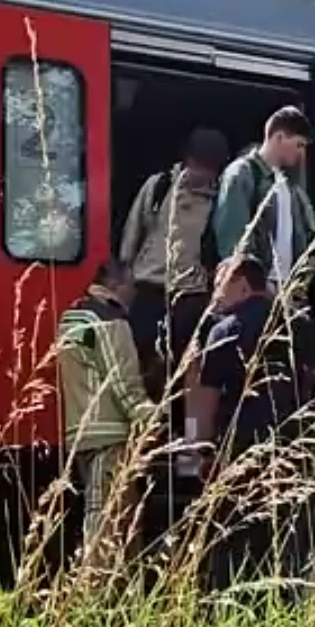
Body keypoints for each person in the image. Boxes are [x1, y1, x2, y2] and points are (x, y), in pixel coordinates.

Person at [187, 255, 315, 588]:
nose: (215, 297)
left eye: (220, 287)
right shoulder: (296, 324)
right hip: (292, 447)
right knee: (291, 536)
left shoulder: (222, 331)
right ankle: (290, 601)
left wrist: (204, 450)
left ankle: (238, 602)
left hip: (241, 448)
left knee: (239, 534)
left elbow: (206, 399)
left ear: (242, 285)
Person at [56, 259, 154, 571]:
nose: (135, 295)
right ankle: (94, 595)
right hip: (110, 435)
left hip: (79, 434)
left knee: (110, 514)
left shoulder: (72, 317)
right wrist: (150, 417)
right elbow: (121, 378)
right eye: (133, 288)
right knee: (106, 523)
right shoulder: (110, 321)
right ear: (119, 286)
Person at [119, 128, 230, 401]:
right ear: (187, 160)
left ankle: (182, 431)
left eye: (209, 169)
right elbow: (132, 238)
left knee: (186, 372)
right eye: (198, 166)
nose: (202, 175)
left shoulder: (221, 200)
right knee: (140, 368)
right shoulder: (159, 187)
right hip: (149, 290)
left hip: (191, 298)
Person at [211, 106, 315, 297]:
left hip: (286, 292)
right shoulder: (241, 175)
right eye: (298, 145)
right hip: (254, 293)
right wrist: (255, 285)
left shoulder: (291, 188)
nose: (301, 154)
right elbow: (233, 239)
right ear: (279, 138)